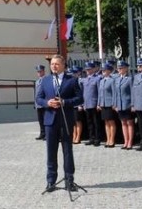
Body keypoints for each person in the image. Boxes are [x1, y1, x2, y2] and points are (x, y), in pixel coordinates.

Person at [36, 54, 83, 192]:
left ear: (63, 65)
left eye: (56, 64)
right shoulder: (45, 80)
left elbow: (80, 99)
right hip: (50, 121)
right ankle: (51, 181)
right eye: (52, 64)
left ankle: (69, 180)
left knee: (67, 151)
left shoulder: (72, 80)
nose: (54, 66)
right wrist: (47, 103)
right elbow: (39, 98)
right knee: (51, 152)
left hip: (66, 120)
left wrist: (65, 102)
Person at [114, 61, 134, 150]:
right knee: (123, 123)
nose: (119, 70)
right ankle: (125, 141)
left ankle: (130, 141)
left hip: (127, 104)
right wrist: (115, 104)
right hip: (120, 104)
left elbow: (133, 93)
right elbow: (116, 93)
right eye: (118, 68)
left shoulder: (129, 79)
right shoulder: (117, 79)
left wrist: (132, 104)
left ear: (126, 68)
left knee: (129, 123)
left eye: (121, 68)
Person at [97, 61, 116, 148]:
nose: (103, 71)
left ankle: (112, 139)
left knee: (111, 122)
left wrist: (114, 103)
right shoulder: (101, 81)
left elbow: (114, 93)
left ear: (109, 71)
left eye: (105, 70)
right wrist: (98, 103)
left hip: (109, 104)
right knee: (106, 122)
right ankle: (108, 139)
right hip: (103, 104)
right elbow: (99, 94)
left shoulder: (112, 81)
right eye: (102, 70)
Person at [81, 61, 101, 146]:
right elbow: (84, 93)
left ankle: (97, 138)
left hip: (94, 103)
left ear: (93, 69)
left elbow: (99, 92)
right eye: (87, 70)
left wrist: (98, 104)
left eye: (89, 69)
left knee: (96, 122)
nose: (88, 71)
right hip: (87, 104)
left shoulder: (97, 78)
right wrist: (84, 104)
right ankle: (91, 138)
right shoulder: (85, 80)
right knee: (89, 123)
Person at [34, 65, 46, 140]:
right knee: (40, 120)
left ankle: (47, 134)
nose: (39, 73)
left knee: (45, 120)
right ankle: (42, 133)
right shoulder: (37, 81)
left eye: (40, 71)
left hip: (44, 103)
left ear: (44, 71)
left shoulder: (46, 80)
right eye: (38, 72)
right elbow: (36, 93)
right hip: (38, 104)